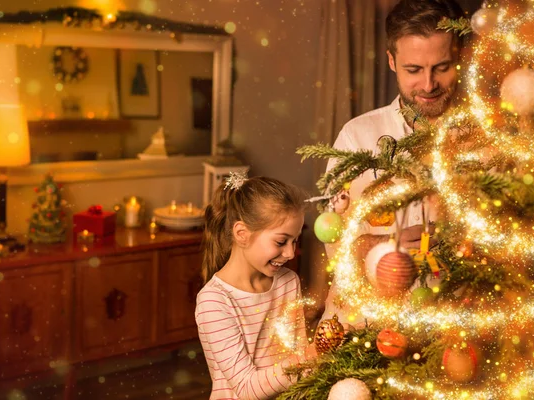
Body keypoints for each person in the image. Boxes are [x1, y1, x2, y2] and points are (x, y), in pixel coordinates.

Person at [322, 0, 465, 324]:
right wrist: (380, 244)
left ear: (461, 59)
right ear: (391, 61)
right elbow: (332, 240)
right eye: (413, 70)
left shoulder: (486, 141)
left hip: (456, 329)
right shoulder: (356, 137)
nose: (428, 85)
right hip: (367, 331)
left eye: (442, 67)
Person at [195, 174, 316, 400]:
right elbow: (248, 389)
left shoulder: (288, 282)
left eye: (295, 241)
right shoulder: (214, 301)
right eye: (281, 242)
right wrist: (313, 355)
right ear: (242, 234)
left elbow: (298, 359)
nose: (290, 253)